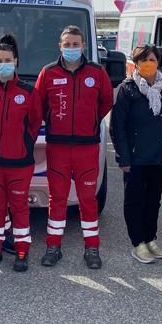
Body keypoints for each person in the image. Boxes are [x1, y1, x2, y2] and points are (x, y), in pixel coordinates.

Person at [35, 25, 114, 270]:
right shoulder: (47, 73)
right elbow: (39, 105)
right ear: (60, 46)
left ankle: (91, 248)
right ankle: (53, 247)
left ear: (84, 46)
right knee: (57, 199)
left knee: (87, 199)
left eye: (75, 44)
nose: (71, 48)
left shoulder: (97, 72)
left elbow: (106, 103)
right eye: (67, 44)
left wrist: (88, 123)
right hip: (57, 146)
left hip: (86, 147)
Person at [111, 44, 162, 264]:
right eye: (143, 60)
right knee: (134, 201)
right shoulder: (127, 89)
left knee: (153, 200)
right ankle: (138, 243)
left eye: (152, 60)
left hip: (160, 156)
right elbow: (117, 127)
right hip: (136, 158)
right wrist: (123, 157)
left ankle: (150, 238)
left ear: (159, 62)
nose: (148, 64)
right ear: (136, 63)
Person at [0, 35, 42, 271]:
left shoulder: (28, 91)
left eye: (8, 60)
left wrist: (23, 143)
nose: (4, 63)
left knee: (19, 207)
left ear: (16, 61)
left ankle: (22, 249)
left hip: (19, 163)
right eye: (0, 60)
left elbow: (35, 122)